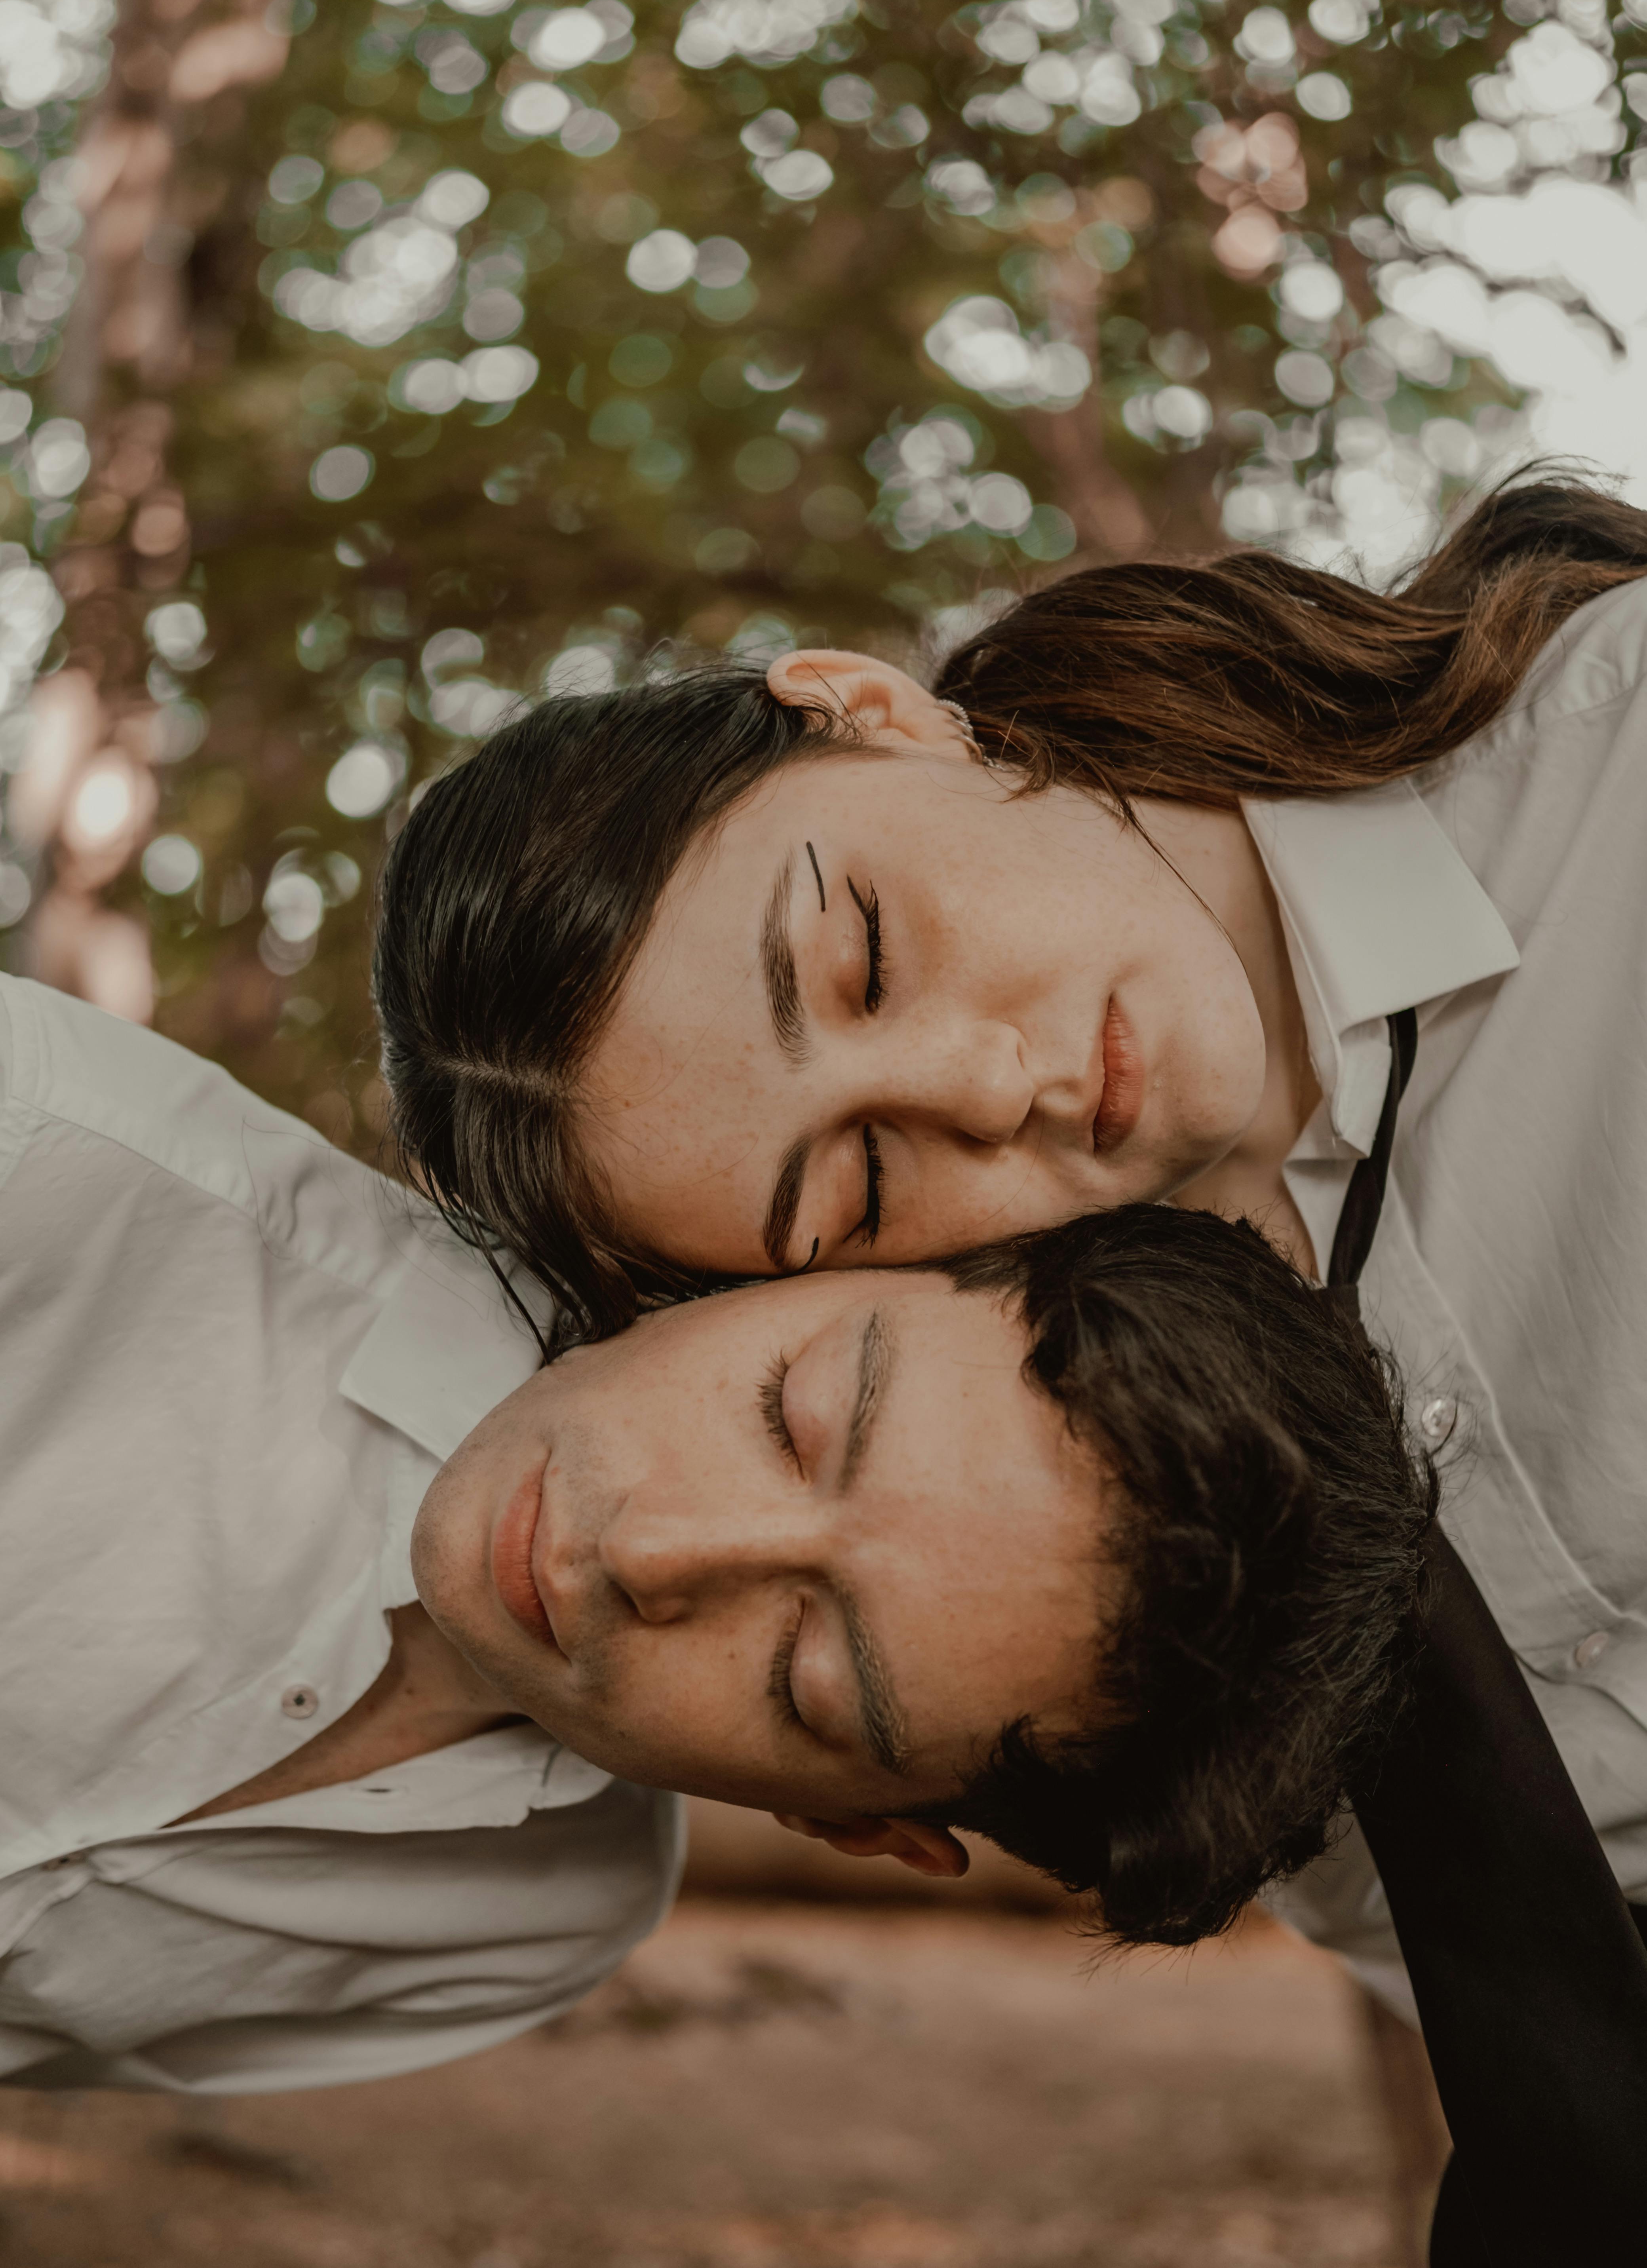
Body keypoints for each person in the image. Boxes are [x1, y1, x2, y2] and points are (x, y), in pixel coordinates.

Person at [372, 473, 1647, 2024]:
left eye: (863, 959)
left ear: (869, 712)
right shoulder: (1079, 1576)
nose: (982, 1087)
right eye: (853, 1182)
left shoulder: (1616, 771)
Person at [0, 965, 1443, 2099]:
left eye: (806, 1672)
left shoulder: (531, 1929)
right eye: (793, 1415)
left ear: (854, 1824)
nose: (646, 1555)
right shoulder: (51, 1161)